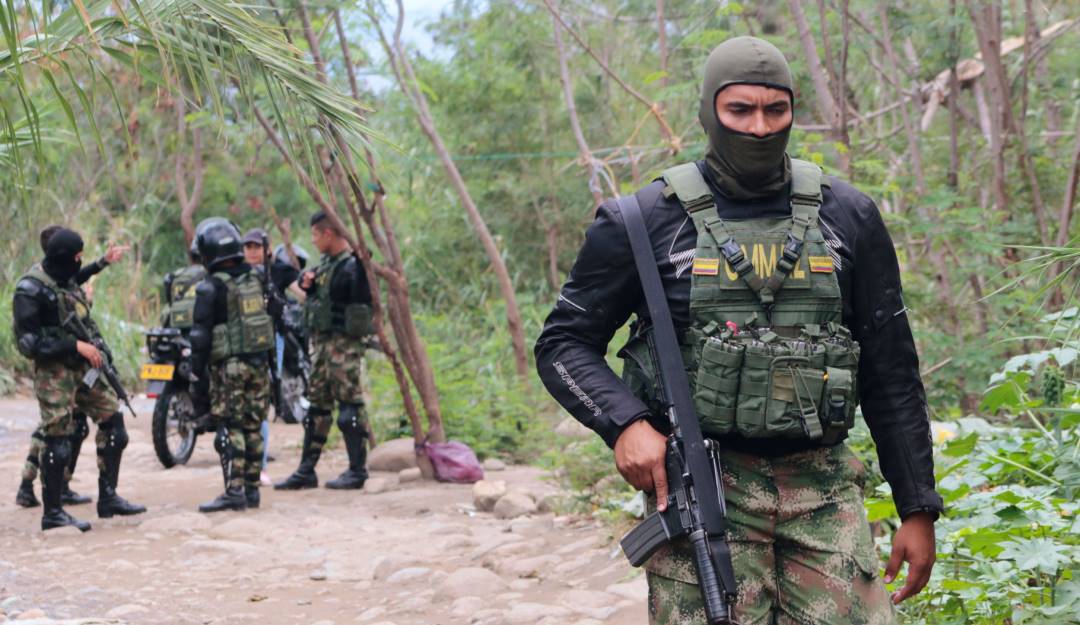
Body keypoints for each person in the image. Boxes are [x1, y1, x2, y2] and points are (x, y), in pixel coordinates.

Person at [534, 36, 942, 624]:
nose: (758, 128)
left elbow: (891, 371)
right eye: (740, 110)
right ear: (709, 112)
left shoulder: (847, 216)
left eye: (775, 111)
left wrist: (917, 506)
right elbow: (563, 344)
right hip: (704, 486)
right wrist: (625, 424)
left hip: (823, 490)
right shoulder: (643, 220)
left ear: (793, 112)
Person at [13, 227, 146, 531]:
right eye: (77, 257)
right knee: (58, 439)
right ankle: (53, 512)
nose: (79, 261)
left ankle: (108, 497)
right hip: (54, 373)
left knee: (115, 425)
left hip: (84, 367)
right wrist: (74, 345)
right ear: (64, 258)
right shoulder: (30, 290)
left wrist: (102, 263)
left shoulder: (65, 278)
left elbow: (76, 279)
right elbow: (29, 344)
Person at [275, 211, 373, 491]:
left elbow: (357, 296)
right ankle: (306, 471)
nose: (314, 241)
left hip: (344, 346)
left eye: (316, 235)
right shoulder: (329, 265)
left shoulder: (352, 265)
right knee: (317, 409)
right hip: (324, 345)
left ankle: (357, 470)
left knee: (349, 408)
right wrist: (310, 282)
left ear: (328, 234)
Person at [190, 218, 275, 513]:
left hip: (231, 368)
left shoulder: (211, 288)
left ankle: (234, 490)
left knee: (232, 428)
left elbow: (200, 337)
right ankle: (252, 490)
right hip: (259, 365)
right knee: (253, 427)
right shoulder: (256, 278)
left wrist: (195, 371)